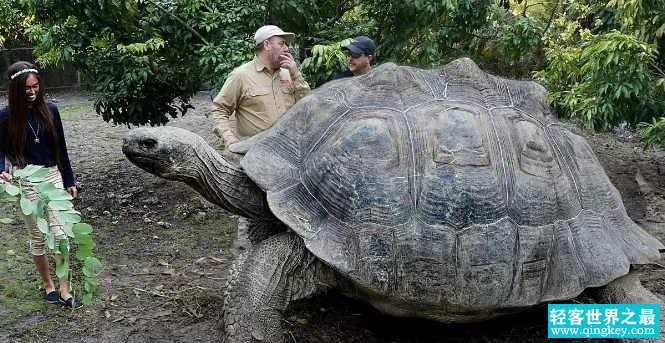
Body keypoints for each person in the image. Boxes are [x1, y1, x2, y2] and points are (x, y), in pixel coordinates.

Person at [0, 61, 82, 309]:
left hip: (53, 176)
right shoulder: (5, 117)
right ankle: (48, 286)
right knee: (38, 238)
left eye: (36, 86)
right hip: (26, 180)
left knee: (61, 235)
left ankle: (65, 290)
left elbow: (62, 149)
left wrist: (69, 180)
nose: (32, 91)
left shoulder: (52, 110)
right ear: (15, 89)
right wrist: (1, 170)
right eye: (26, 88)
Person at [211, 25, 311, 147]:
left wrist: (296, 74)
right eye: (281, 44)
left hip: (289, 148)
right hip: (254, 151)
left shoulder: (289, 74)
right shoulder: (241, 75)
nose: (286, 48)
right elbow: (219, 109)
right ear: (267, 45)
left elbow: (308, 107)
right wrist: (228, 137)